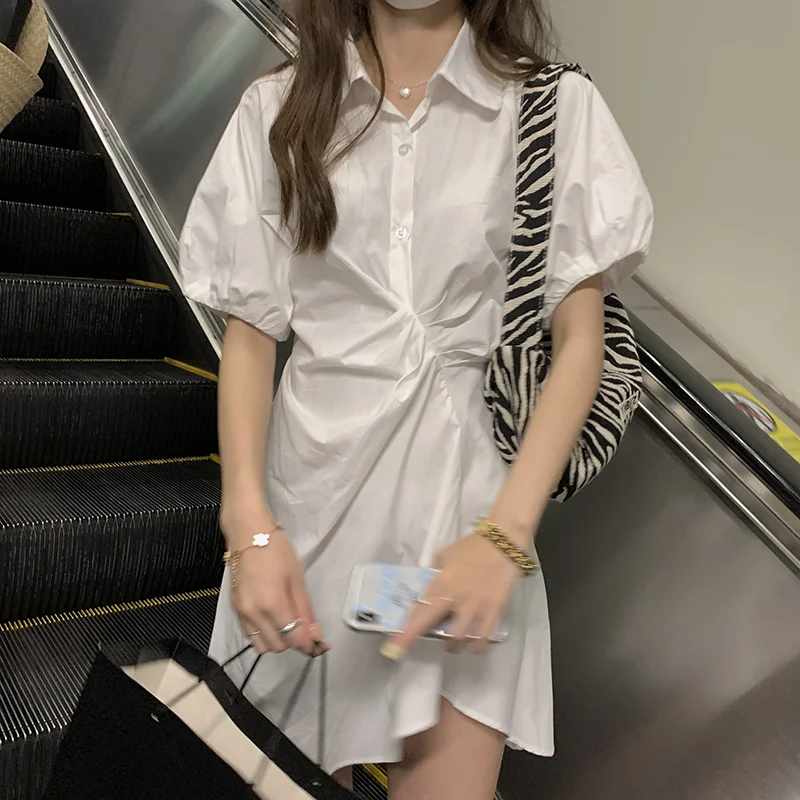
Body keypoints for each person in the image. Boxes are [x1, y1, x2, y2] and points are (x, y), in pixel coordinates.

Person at [179, 1, 653, 798]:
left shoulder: (553, 107)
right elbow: (251, 334)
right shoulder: (280, 107)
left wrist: (506, 537)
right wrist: (248, 527)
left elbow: (580, 343)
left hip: (468, 527)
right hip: (309, 517)